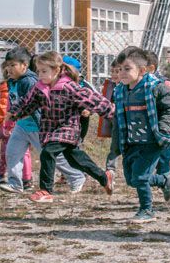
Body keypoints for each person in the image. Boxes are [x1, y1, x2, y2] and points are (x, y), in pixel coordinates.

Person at [8, 51, 115, 203]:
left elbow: (91, 98)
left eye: (44, 71)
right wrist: (14, 113)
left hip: (68, 128)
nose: (40, 75)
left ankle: (45, 190)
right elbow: (28, 102)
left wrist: (111, 111)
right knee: (75, 159)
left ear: (56, 70)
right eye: (38, 71)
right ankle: (104, 177)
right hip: (50, 129)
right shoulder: (39, 88)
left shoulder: (68, 86)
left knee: (47, 153)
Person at [0, 47, 84, 194]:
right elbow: (14, 104)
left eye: (13, 65)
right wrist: (11, 121)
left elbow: (36, 107)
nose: (9, 69)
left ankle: (76, 177)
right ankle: (15, 184)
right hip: (21, 127)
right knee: (12, 153)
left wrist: (44, 129)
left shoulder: (29, 81)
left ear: (24, 65)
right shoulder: (13, 81)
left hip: (37, 128)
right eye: (8, 65)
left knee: (53, 157)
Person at [114, 49, 170, 223]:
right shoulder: (120, 91)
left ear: (142, 70)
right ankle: (163, 180)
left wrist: (165, 128)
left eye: (127, 69)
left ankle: (147, 210)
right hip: (132, 142)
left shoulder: (156, 88)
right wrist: (115, 147)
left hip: (152, 141)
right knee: (131, 180)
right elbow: (119, 120)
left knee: (140, 177)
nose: (122, 73)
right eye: (119, 69)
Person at [144, 49, 170, 201]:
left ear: (151, 68)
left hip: (168, 129)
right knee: (148, 163)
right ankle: (156, 184)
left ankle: (165, 181)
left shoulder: (164, 84)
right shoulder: (138, 86)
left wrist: (166, 127)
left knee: (164, 161)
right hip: (150, 130)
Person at [0, 63, 29, 185]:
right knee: (18, 152)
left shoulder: (7, 88)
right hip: (15, 122)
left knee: (9, 151)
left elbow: (3, 108)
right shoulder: (16, 86)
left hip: (9, 123)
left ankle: (17, 177)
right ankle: (25, 177)